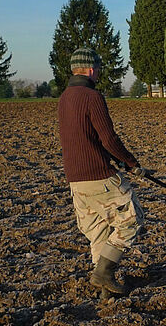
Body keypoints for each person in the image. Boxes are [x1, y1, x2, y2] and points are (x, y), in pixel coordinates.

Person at [57, 47, 145, 295]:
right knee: (132, 218)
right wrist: (131, 163)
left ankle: (105, 289)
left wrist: (114, 158)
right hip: (98, 176)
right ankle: (103, 272)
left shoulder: (64, 97)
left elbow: (85, 137)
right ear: (91, 69)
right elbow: (108, 138)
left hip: (75, 179)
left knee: (99, 231)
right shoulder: (92, 97)